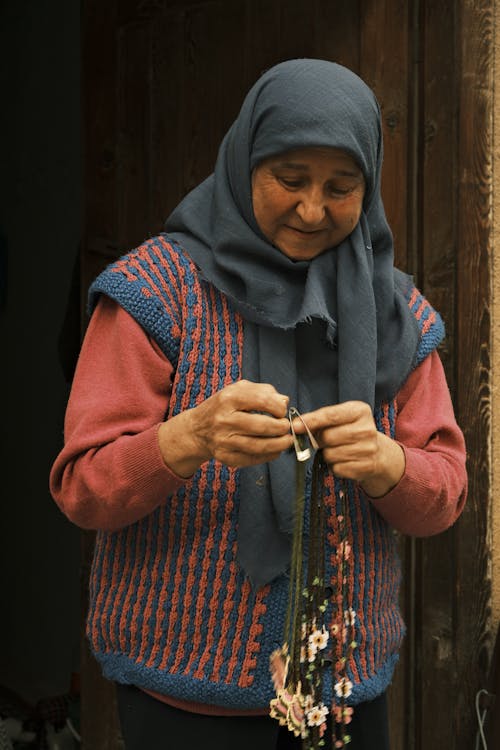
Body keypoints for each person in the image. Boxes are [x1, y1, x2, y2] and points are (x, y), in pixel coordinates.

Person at [49, 59, 467, 750]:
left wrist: (390, 463)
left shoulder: (398, 314)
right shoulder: (157, 294)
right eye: (290, 178)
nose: (312, 209)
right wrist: (185, 440)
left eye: (342, 186)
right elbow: (82, 488)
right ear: (245, 162)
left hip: (345, 694)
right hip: (180, 693)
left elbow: (446, 492)